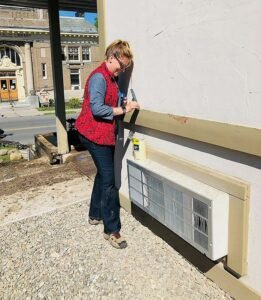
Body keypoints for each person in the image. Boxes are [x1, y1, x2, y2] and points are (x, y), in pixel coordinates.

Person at [75, 40, 140, 249]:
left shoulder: (111, 78)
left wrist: (124, 104)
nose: (122, 70)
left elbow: (111, 102)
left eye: (126, 67)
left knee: (103, 175)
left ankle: (95, 214)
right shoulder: (99, 78)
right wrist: (123, 111)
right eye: (121, 65)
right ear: (111, 57)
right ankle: (112, 230)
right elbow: (97, 109)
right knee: (110, 180)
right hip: (93, 134)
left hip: (103, 134)